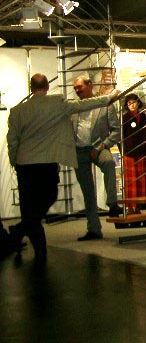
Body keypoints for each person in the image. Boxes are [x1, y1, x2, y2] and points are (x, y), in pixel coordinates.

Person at [6, 73, 119, 258]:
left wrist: (14, 161)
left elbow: (12, 140)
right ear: (47, 88)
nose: (77, 90)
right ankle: (25, 236)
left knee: (29, 207)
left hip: (25, 163)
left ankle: (31, 241)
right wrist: (108, 98)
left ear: (31, 88)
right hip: (48, 161)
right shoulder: (57, 104)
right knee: (49, 197)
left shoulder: (17, 111)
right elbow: (84, 105)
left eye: (80, 87)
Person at [71, 75, 122, 241]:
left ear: (90, 85)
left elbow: (116, 131)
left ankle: (112, 204)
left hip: (99, 147)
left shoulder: (104, 104)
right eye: (75, 88)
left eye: (80, 87)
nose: (77, 90)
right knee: (88, 191)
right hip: (79, 151)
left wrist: (102, 146)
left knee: (108, 162)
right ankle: (94, 229)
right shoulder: (73, 107)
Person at [121, 93, 146, 214]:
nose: (132, 105)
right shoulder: (124, 118)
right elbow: (121, 136)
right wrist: (123, 151)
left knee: (142, 181)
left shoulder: (144, 117)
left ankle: (139, 206)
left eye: (134, 102)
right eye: (129, 103)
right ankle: (130, 208)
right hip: (129, 152)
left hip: (141, 151)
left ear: (138, 103)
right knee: (131, 182)